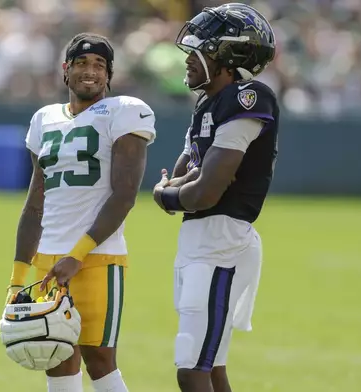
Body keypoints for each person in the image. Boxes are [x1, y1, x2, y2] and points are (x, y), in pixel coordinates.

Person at [6, 32, 157, 392]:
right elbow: (35, 204)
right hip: (47, 259)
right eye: (81, 63)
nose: (90, 71)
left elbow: (124, 196)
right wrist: (16, 279)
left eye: (99, 65)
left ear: (109, 75)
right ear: (65, 69)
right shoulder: (44, 119)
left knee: (100, 361)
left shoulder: (124, 111)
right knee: (54, 358)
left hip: (97, 258)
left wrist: (77, 255)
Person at [152, 4, 279, 392]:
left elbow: (204, 192)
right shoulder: (209, 103)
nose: (189, 58)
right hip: (204, 240)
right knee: (211, 368)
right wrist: (179, 187)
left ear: (229, 57)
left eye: (201, 50)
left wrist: (168, 196)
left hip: (220, 242)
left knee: (191, 369)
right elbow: (184, 175)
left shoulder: (247, 98)